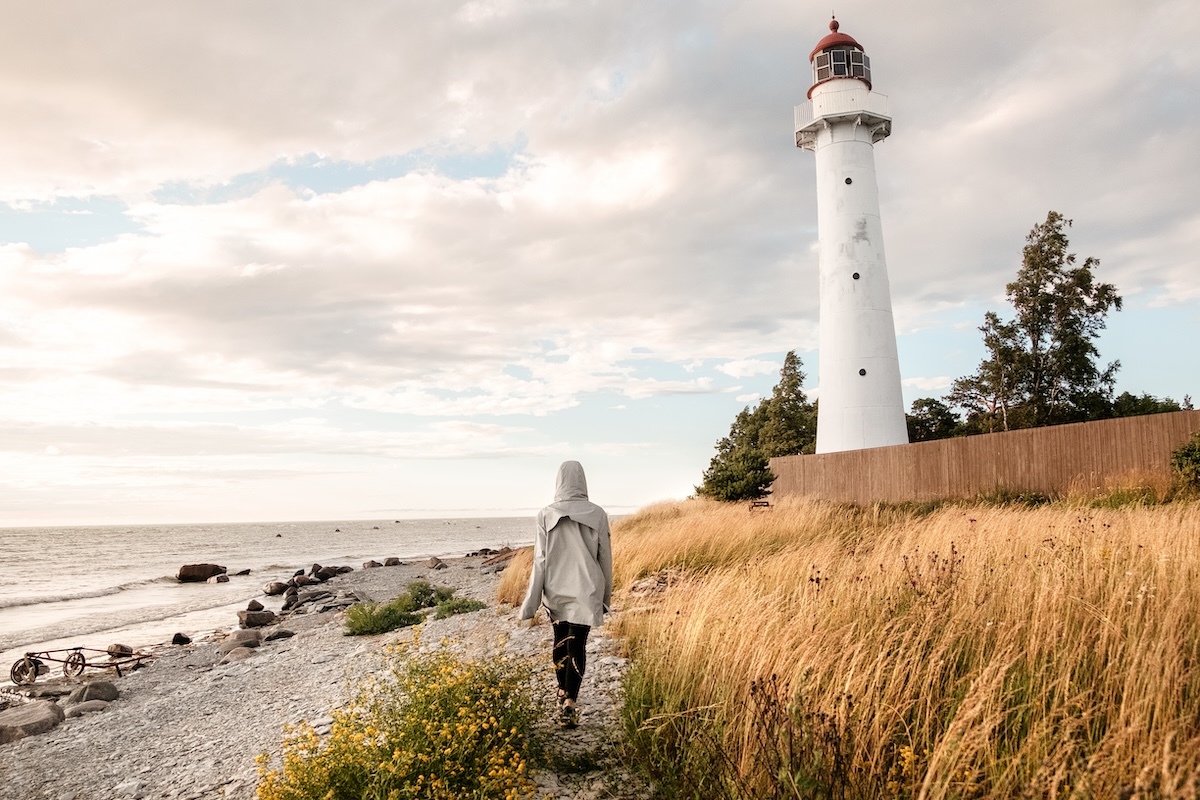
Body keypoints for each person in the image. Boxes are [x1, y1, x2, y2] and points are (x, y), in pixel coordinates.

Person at [519, 460, 613, 728]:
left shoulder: (545, 514)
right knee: (578, 644)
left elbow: (540, 560)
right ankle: (570, 698)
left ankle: (562, 691)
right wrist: (606, 596)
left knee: (560, 639)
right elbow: (604, 557)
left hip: (556, 587)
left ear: (558, 481)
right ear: (583, 480)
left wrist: (531, 602)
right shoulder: (597, 513)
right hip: (587, 587)